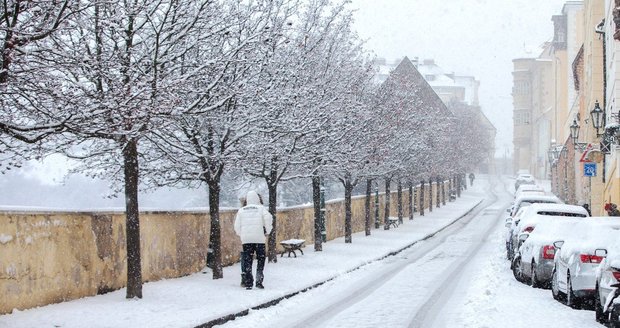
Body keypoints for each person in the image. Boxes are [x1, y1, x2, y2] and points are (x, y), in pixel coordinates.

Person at [234, 190, 273, 290]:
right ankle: (259, 281)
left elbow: (236, 226)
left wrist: (241, 235)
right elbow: (269, 219)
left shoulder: (241, 210)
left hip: (247, 240)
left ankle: (248, 282)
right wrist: (267, 231)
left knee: (247, 260)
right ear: (257, 199)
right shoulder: (261, 209)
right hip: (259, 239)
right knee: (261, 259)